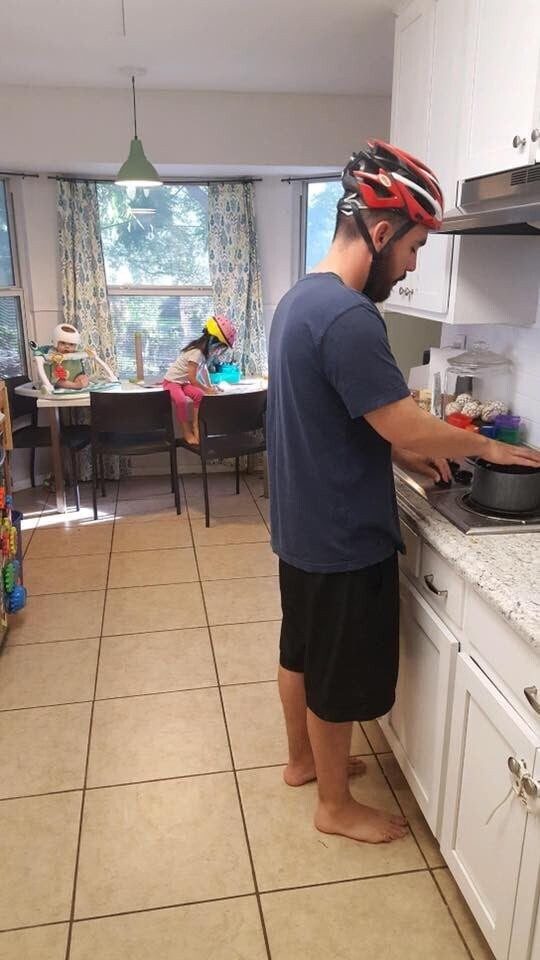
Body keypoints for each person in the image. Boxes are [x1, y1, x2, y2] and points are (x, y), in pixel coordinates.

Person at [267, 139, 540, 846]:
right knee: (334, 676)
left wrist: (406, 451)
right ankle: (334, 806)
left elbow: (344, 416)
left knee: (301, 651)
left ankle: (303, 764)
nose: (414, 264)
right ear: (381, 232)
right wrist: (485, 446)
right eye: (415, 247)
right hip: (340, 533)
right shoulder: (350, 316)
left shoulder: (299, 300)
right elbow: (400, 419)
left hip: (299, 523)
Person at [163, 315, 236, 444]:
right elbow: (192, 378)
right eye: (219, 347)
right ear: (212, 341)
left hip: (183, 383)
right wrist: (207, 389)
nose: (218, 351)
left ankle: (196, 426)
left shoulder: (203, 354)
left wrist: (210, 387)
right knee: (181, 401)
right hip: (171, 382)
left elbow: (203, 371)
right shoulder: (196, 352)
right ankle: (187, 432)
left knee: (200, 395)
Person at [46, 323, 89, 390]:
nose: (67, 346)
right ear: (55, 342)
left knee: (84, 378)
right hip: (58, 379)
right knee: (59, 381)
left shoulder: (76, 354)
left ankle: (80, 384)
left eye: (71, 344)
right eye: (63, 343)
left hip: (76, 376)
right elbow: (47, 360)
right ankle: (75, 386)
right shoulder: (52, 353)